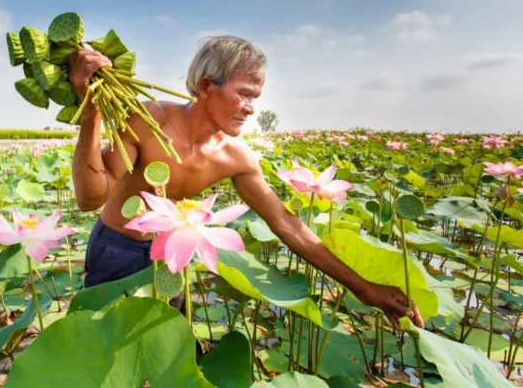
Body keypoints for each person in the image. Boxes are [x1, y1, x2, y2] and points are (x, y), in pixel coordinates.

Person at [69, 35, 423, 330]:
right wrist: (92, 113)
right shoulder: (148, 121)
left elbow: (287, 224)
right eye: (244, 93)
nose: (251, 108)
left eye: (256, 97)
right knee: (99, 344)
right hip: (116, 248)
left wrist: (363, 289)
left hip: (171, 256)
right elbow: (90, 199)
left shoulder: (235, 157)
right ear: (206, 86)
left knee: (163, 351)